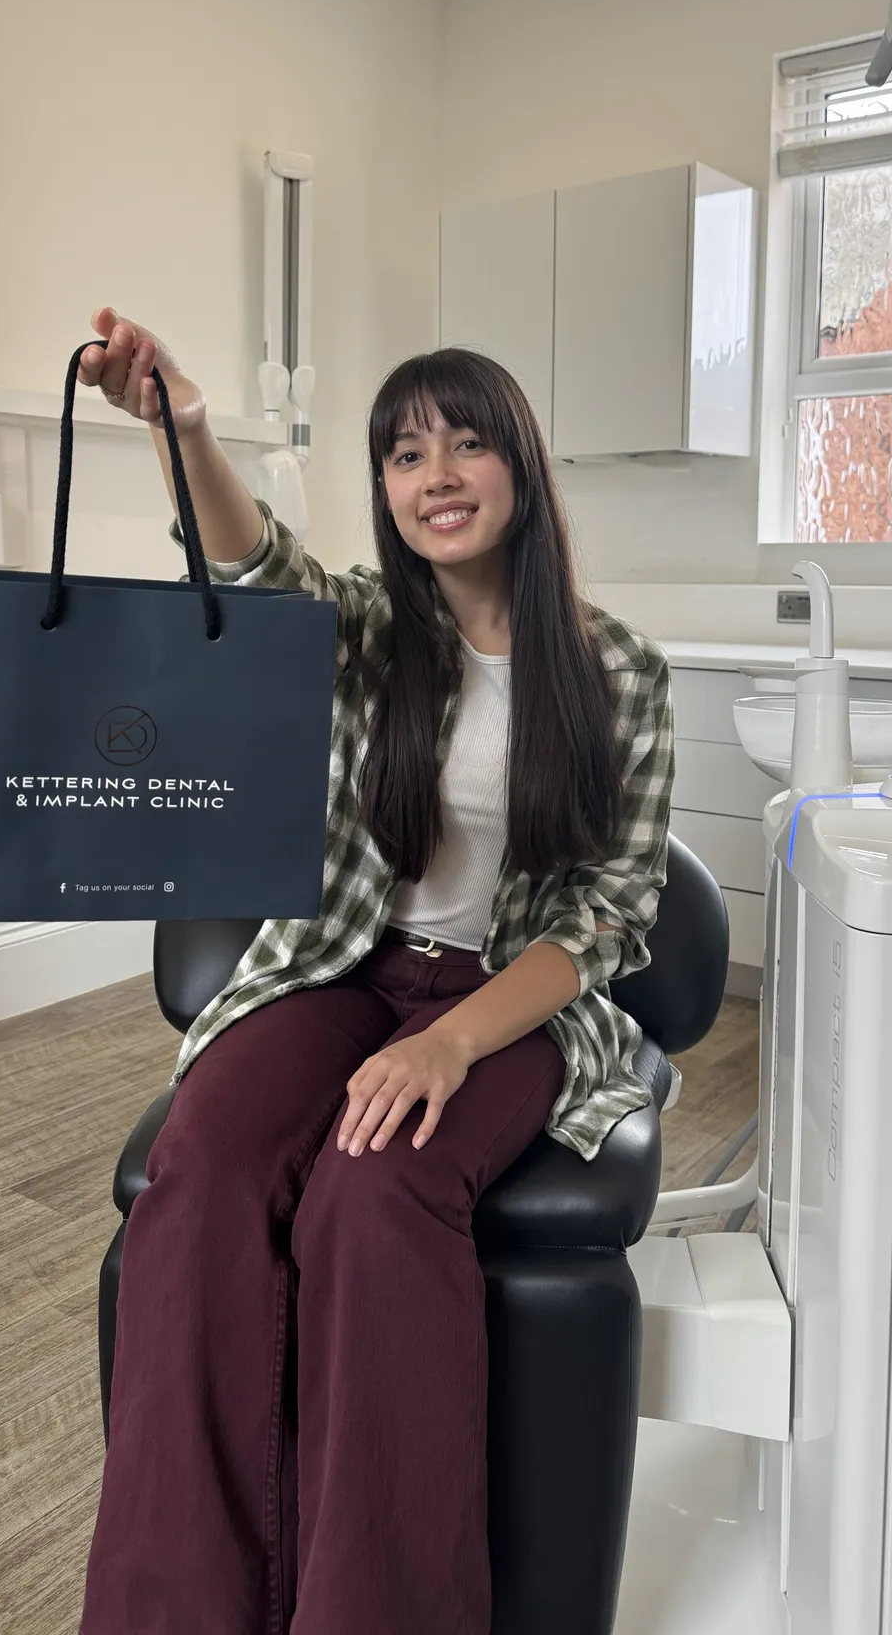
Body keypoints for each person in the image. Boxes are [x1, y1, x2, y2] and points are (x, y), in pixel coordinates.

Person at [77, 305, 676, 1635]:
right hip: (340, 971)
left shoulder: (619, 669)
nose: (437, 475)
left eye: (466, 443)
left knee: (372, 1191)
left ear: (518, 466)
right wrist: (185, 432)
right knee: (204, 1166)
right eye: (405, 455)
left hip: (505, 1009)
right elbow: (254, 565)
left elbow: (610, 910)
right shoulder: (359, 632)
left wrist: (453, 1041)